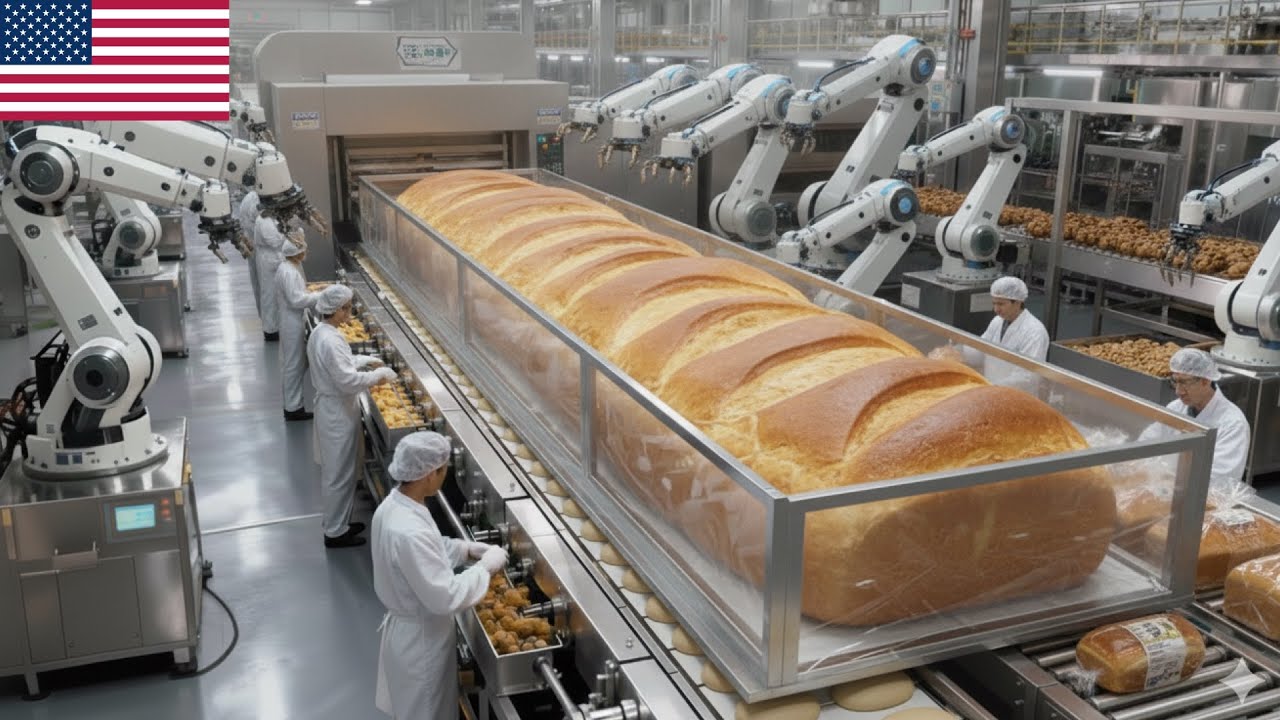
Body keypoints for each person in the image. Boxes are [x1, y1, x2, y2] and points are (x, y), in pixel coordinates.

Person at [373, 432, 508, 720]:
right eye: (443, 470)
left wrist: (465, 549)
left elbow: (425, 553)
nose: (445, 476)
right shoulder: (409, 531)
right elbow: (445, 596)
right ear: (429, 474)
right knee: (427, 712)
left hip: (412, 631)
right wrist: (485, 568)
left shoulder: (395, 506)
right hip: (421, 644)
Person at [308, 284, 397, 548]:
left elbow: (338, 366)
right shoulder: (330, 340)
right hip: (337, 412)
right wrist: (378, 376)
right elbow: (347, 381)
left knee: (343, 472)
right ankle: (335, 532)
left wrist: (362, 360)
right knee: (338, 475)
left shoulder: (322, 332)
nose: (349, 313)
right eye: (346, 308)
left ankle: (340, 523)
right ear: (335, 310)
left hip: (336, 406)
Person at [1139, 348, 1251, 491]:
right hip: (1165, 489)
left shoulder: (1233, 424)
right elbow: (1147, 443)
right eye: (1175, 381)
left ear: (1205, 381)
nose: (1178, 391)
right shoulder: (1175, 408)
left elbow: (1220, 479)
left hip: (1202, 498)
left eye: (1185, 382)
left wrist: (1173, 483)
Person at [276, 232, 322, 422]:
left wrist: (313, 293)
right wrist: (320, 296)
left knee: (297, 363)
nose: (306, 252)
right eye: (303, 249)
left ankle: (294, 404)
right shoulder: (288, 272)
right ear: (296, 253)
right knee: (294, 365)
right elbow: (296, 300)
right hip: (291, 321)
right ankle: (293, 408)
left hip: (294, 318)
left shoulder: (289, 267)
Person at [255, 214, 289, 341]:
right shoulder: (264, 220)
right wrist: (286, 233)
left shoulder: (271, 218)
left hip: (273, 258)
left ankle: (276, 326)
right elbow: (274, 241)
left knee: (275, 295)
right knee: (269, 295)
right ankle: (270, 331)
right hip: (269, 259)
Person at [237, 190, 263, 316]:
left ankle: (264, 319)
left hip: (254, 249)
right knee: (266, 289)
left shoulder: (248, 198)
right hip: (261, 250)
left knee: (258, 285)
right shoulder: (256, 201)